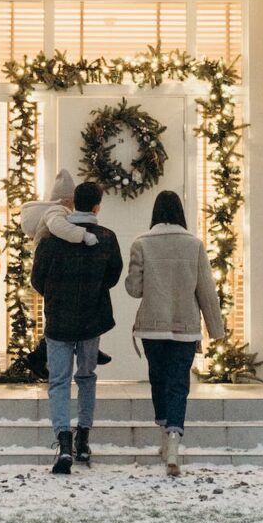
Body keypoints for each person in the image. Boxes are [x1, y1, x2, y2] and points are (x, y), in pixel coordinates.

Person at [124, 189, 224, 477]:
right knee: (179, 383)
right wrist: (215, 329)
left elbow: (134, 289)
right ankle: (173, 443)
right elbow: (206, 290)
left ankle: (163, 435)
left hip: (151, 328)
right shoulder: (194, 245)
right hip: (185, 326)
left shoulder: (141, 244)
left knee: (158, 379)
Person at [30, 178, 123, 474]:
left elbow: (37, 280)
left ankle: (63, 442)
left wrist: (57, 295)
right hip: (91, 322)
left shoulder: (50, 239)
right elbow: (113, 276)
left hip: (58, 321)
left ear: (72, 203)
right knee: (86, 377)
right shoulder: (107, 238)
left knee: (58, 382)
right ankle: (83, 438)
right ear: (97, 206)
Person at [20, 169, 112, 371]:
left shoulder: (56, 214)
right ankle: (41, 354)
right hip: (55, 269)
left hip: (53, 279)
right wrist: (84, 235)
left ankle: (41, 354)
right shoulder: (57, 214)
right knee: (69, 327)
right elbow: (62, 229)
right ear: (68, 200)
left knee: (61, 325)